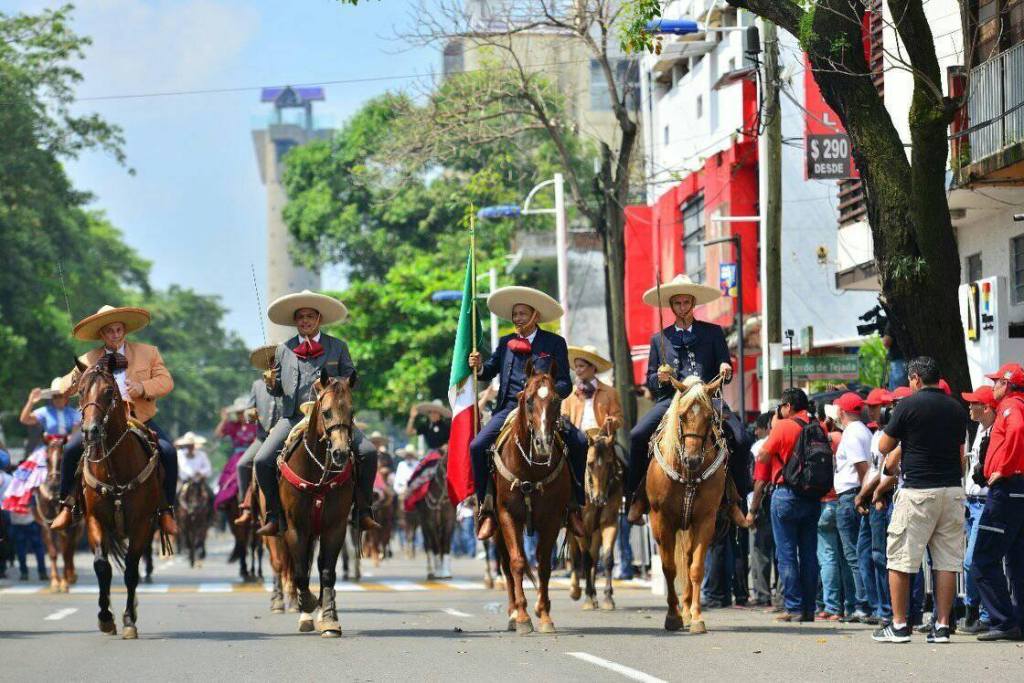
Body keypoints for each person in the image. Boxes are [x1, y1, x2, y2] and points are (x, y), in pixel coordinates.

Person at [467, 286, 588, 541]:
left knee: (580, 442)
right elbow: (488, 372)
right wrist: (477, 365)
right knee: (478, 446)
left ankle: (575, 506)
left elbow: (566, 382)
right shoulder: (505, 344)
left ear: (535, 315)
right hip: (510, 409)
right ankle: (486, 509)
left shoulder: (554, 343)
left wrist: (550, 394)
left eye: (522, 313)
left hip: (543, 410)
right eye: (515, 314)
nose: (518, 319)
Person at [253, 290, 379, 536]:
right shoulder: (283, 350)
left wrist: (334, 385)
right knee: (261, 460)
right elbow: (279, 391)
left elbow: (353, 379)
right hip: (293, 418)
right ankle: (274, 515)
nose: (305, 321)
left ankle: (363, 511)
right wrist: (271, 383)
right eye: (300, 317)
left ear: (319, 319)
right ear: (295, 321)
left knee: (369, 452)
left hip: (332, 417)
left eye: (310, 316)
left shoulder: (338, 346)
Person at [50, 305, 178, 535]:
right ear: (102, 334)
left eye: (119, 330)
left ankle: (166, 511)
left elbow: (166, 382)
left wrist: (141, 387)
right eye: (110, 331)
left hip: (139, 419)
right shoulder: (88, 359)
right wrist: (69, 383)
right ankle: (66, 507)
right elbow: (63, 386)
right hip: (99, 423)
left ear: (125, 330)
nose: (115, 335)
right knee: (69, 450)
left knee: (169, 452)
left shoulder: (149, 352)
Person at [872, 356, 967, 644]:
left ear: (914, 378)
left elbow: (883, 445)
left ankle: (899, 625)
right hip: (951, 489)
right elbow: (961, 458)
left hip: (918, 491)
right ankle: (941, 627)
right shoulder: (956, 408)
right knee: (947, 561)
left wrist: (906, 440)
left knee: (900, 558)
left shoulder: (908, 405)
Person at [627, 274, 732, 523]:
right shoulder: (658, 339)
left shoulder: (714, 332)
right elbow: (649, 381)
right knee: (637, 435)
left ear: (693, 303)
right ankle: (636, 497)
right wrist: (660, 378)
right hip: (671, 402)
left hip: (707, 401)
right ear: (671, 307)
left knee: (740, 435)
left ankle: (735, 499)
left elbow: (725, 367)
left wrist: (726, 367)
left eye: (686, 303)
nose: (682, 308)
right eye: (678, 304)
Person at [757, 387, 820, 622]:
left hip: (786, 495)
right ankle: (809, 609)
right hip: (812, 496)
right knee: (809, 554)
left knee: (786, 555)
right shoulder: (816, 427)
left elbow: (762, 455)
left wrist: (775, 426)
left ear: (787, 406)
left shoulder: (782, 426)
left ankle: (793, 607)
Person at [972, 363, 1024, 641]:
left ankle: (1004, 621)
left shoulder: (1010, 407)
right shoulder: (1018, 404)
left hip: (1007, 490)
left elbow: (1016, 430)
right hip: (1018, 489)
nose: (994, 387)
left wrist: (1003, 467)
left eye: (997, 383)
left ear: (1008, 384)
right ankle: (1017, 620)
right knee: (1017, 561)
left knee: (982, 559)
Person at [832, 392, 874, 622]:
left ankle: (862, 603)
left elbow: (862, 467)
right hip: (854, 494)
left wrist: (861, 495)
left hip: (851, 495)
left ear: (842, 411)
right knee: (857, 552)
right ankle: (860, 602)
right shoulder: (863, 431)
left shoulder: (852, 433)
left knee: (853, 553)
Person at [960, 384, 997, 635]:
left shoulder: (994, 432)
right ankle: (973, 612)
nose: (969, 407)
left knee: (973, 560)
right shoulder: (978, 429)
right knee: (971, 561)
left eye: (974, 403)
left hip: (985, 503)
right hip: (972, 502)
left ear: (986, 407)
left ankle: (980, 612)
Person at [233, 345, 281, 524]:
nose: (274, 364)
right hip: (263, 438)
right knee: (242, 464)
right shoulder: (257, 385)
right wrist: (250, 414)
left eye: (277, 361)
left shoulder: (291, 382)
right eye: (270, 362)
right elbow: (248, 410)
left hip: (287, 435)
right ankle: (245, 506)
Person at [747, 412, 776, 607]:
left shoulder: (760, 447)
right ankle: (783, 596)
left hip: (764, 502)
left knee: (760, 551)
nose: (756, 432)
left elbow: (756, 480)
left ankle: (763, 594)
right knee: (783, 551)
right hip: (782, 497)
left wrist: (752, 510)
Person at [561, 345, 622, 435]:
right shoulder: (569, 393)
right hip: (577, 440)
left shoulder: (610, 392)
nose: (577, 370)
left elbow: (618, 418)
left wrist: (610, 422)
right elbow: (564, 416)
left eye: (581, 366)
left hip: (602, 439)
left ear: (593, 367)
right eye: (576, 366)